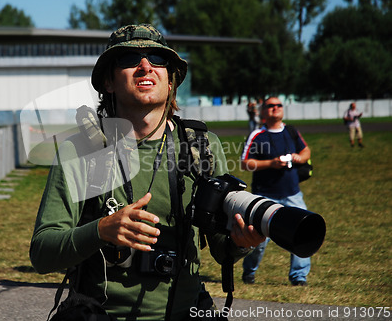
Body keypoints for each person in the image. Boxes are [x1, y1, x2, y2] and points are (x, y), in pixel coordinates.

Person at [30, 24, 265, 321]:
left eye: (157, 59)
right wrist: (101, 230)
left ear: (171, 82)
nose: (145, 67)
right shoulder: (80, 151)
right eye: (129, 59)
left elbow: (222, 248)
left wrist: (241, 242)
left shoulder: (201, 148)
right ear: (109, 82)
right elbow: (42, 252)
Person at [240, 96, 312, 286]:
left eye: (278, 105)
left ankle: (299, 276)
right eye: (270, 106)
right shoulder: (257, 135)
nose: (275, 108)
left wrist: (299, 158)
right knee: (259, 239)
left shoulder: (291, 131)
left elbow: (307, 151)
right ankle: (249, 271)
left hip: (292, 194)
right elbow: (245, 163)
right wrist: (272, 163)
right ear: (263, 112)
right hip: (265, 195)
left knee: (302, 234)